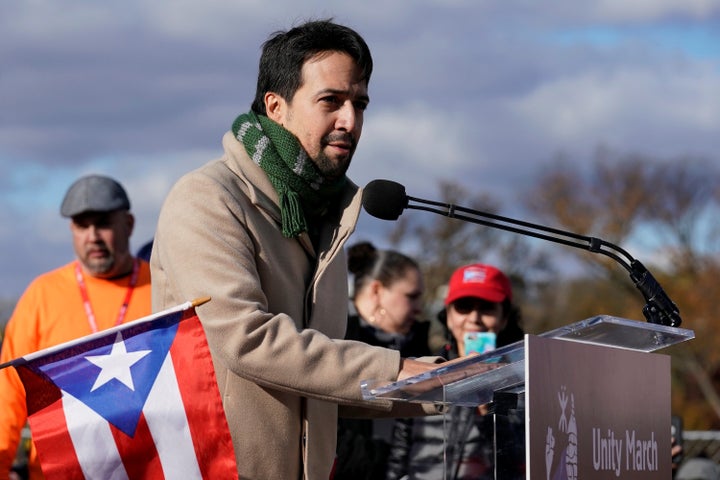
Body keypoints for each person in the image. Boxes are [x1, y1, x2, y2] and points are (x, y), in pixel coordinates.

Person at [150, 19, 442, 480]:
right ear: (276, 107)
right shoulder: (207, 198)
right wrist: (401, 369)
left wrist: (445, 386)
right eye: (331, 101)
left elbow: (318, 386)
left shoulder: (329, 214)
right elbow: (247, 342)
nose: (350, 121)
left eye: (359, 104)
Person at [0, 174, 152, 480]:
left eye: (104, 222)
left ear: (129, 224)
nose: (93, 236)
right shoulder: (42, 295)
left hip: (147, 469)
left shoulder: (163, 286)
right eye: (82, 225)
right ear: (72, 230)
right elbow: (7, 396)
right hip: (57, 472)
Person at [386, 263, 525, 480]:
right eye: (464, 306)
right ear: (448, 316)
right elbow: (399, 454)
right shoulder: (424, 372)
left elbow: (518, 460)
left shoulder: (520, 380)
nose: (474, 318)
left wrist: (490, 408)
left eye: (487, 307)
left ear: (504, 317)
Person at [335, 241, 433, 479]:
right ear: (377, 291)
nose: (419, 308)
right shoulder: (334, 337)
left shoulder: (419, 343)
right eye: (412, 296)